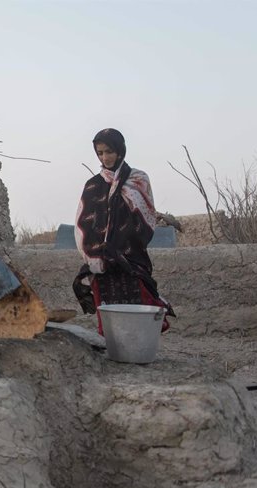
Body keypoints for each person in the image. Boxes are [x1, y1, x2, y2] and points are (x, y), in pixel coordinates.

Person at [73, 128, 174, 335]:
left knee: (139, 304)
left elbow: (145, 217)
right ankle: (111, 347)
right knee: (108, 308)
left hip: (129, 257)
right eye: (100, 153)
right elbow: (83, 222)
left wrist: (119, 246)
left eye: (109, 151)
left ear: (120, 151)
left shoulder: (138, 180)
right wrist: (94, 253)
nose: (105, 157)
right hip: (101, 259)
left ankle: (139, 345)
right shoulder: (93, 185)